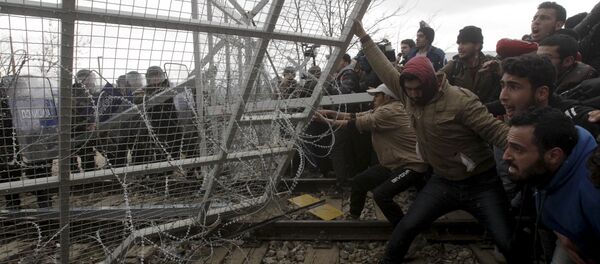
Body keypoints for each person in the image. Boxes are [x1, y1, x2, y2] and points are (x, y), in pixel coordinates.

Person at [353, 20, 522, 263]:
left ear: (432, 81)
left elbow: (495, 131)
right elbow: (384, 69)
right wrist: (364, 37)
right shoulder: (407, 92)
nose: (414, 95)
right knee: (406, 229)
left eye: (418, 90)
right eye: (408, 90)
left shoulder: (461, 101)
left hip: (481, 183)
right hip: (443, 181)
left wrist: (529, 155)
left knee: (507, 241)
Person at [316, 83, 428, 225]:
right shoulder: (384, 108)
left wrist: (326, 121)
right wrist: (331, 113)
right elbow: (356, 115)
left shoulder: (388, 112)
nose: (373, 98)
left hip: (411, 166)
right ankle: (354, 217)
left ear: (387, 97)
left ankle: (405, 230)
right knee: (359, 182)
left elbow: (355, 123)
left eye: (377, 95)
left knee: (381, 195)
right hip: (394, 164)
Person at [503, 107, 600, 263]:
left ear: (554, 156)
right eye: (508, 145)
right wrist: (563, 232)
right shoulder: (551, 161)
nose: (505, 155)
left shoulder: (593, 192)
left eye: (517, 149)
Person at [440, 25, 501, 103]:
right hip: (460, 113)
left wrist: (498, 69)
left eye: (464, 43)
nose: (459, 47)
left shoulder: (492, 62)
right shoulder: (454, 65)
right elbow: (433, 81)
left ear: (477, 46)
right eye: (459, 43)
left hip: (487, 113)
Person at [72, 69, 98, 172]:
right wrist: (86, 125)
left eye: (92, 80)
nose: (90, 83)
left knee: (88, 158)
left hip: (88, 133)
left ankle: (89, 180)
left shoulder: (92, 94)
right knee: (71, 160)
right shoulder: (72, 94)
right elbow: (70, 115)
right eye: (88, 80)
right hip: (74, 133)